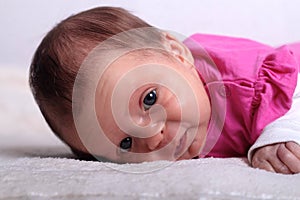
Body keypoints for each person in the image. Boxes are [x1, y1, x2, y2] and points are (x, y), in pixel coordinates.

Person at [29, 6, 300, 174]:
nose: (153, 138)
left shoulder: (241, 83)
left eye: (149, 99)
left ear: (177, 53)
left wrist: (282, 132)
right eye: (126, 143)